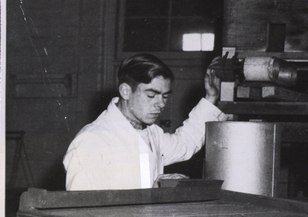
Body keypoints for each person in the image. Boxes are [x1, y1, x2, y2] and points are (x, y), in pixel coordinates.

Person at [63, 53, 227, 191]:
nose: (161, 104)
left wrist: (211, 96)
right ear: (126, 91)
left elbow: (186, 143)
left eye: (165, 96)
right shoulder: (92, 141)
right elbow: (83, 213)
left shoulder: (151, 133)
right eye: (151, 95)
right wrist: (153, 194)